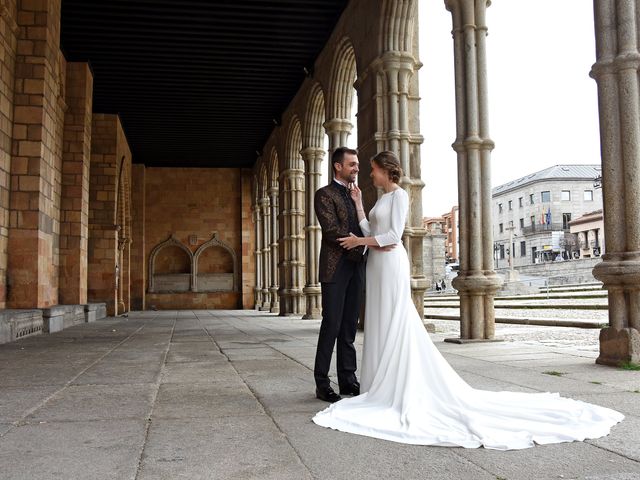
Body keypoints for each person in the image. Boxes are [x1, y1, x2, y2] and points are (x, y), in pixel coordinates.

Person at [312, 151, 623, 450]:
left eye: (371, 169)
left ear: (385, 170)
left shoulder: (400, 196)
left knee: (394, 321)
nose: (367, 173)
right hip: (376, 264)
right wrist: (360, 205)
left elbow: (393, 237)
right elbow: (371, 227)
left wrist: (358, 241)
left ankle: (393, 383)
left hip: (390, 264)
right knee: (380, 322)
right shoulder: (379, 197)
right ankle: (377, 384)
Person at [313, 147, 393, 403]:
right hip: (335, 267)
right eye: (352, 164)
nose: (357, 168)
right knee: (331, 325)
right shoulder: (323, 194)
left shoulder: (356, 194)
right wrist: (360, 241)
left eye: (358, 164)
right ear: (338, 166)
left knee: (349, 328)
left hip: (357, 266)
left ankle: (348, 379)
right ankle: (322, 383)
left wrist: (362, 243)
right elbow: (331, 230)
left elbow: (363, 224)